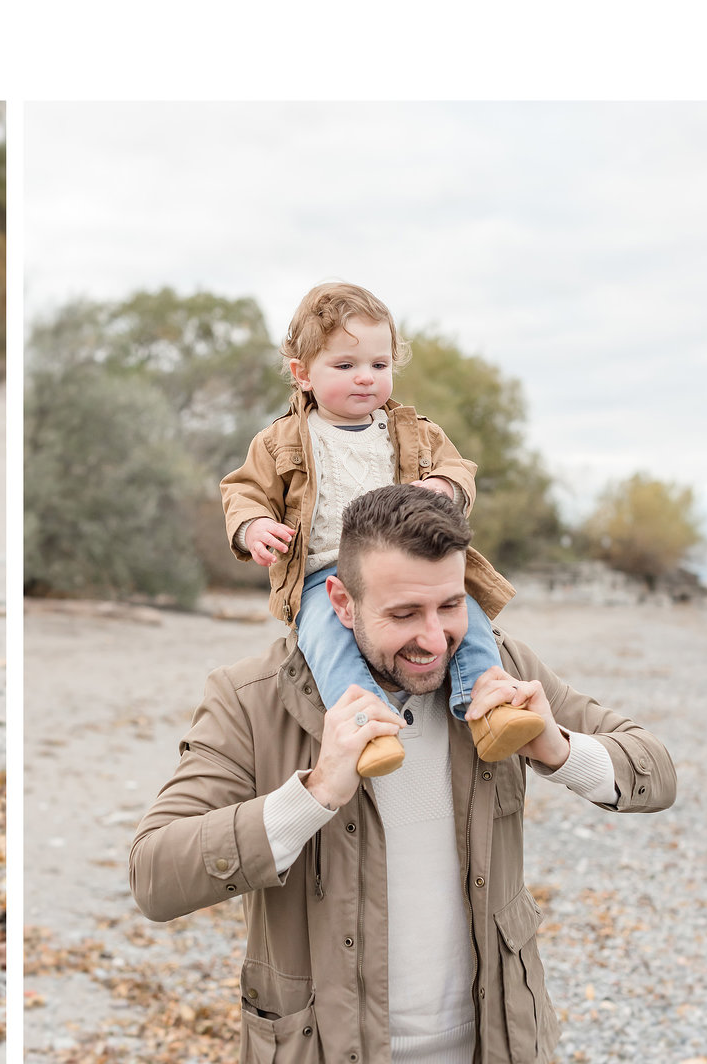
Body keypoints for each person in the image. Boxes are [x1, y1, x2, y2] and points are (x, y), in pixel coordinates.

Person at [130, 485, 675, 1064]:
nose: (433, 636)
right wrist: (315, 792)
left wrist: (556, 748)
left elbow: (654, 771)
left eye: (450, 606)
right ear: (340, 602)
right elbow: (154, 875)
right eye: (404, 612)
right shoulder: (249, 700)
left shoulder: (501, 669)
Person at [221, 281, 544, 777]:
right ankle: (367, 727)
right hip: (321, 572)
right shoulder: (280, 440)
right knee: (327, 640)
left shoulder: (415, 432)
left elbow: (460, 469)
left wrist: (443, 486)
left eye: (379, 365)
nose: (366, 378)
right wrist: (254, 526)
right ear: (302, 374)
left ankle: (489, 703)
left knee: (470, 621)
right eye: (345, 366)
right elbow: (242, 490)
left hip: (409, 569)